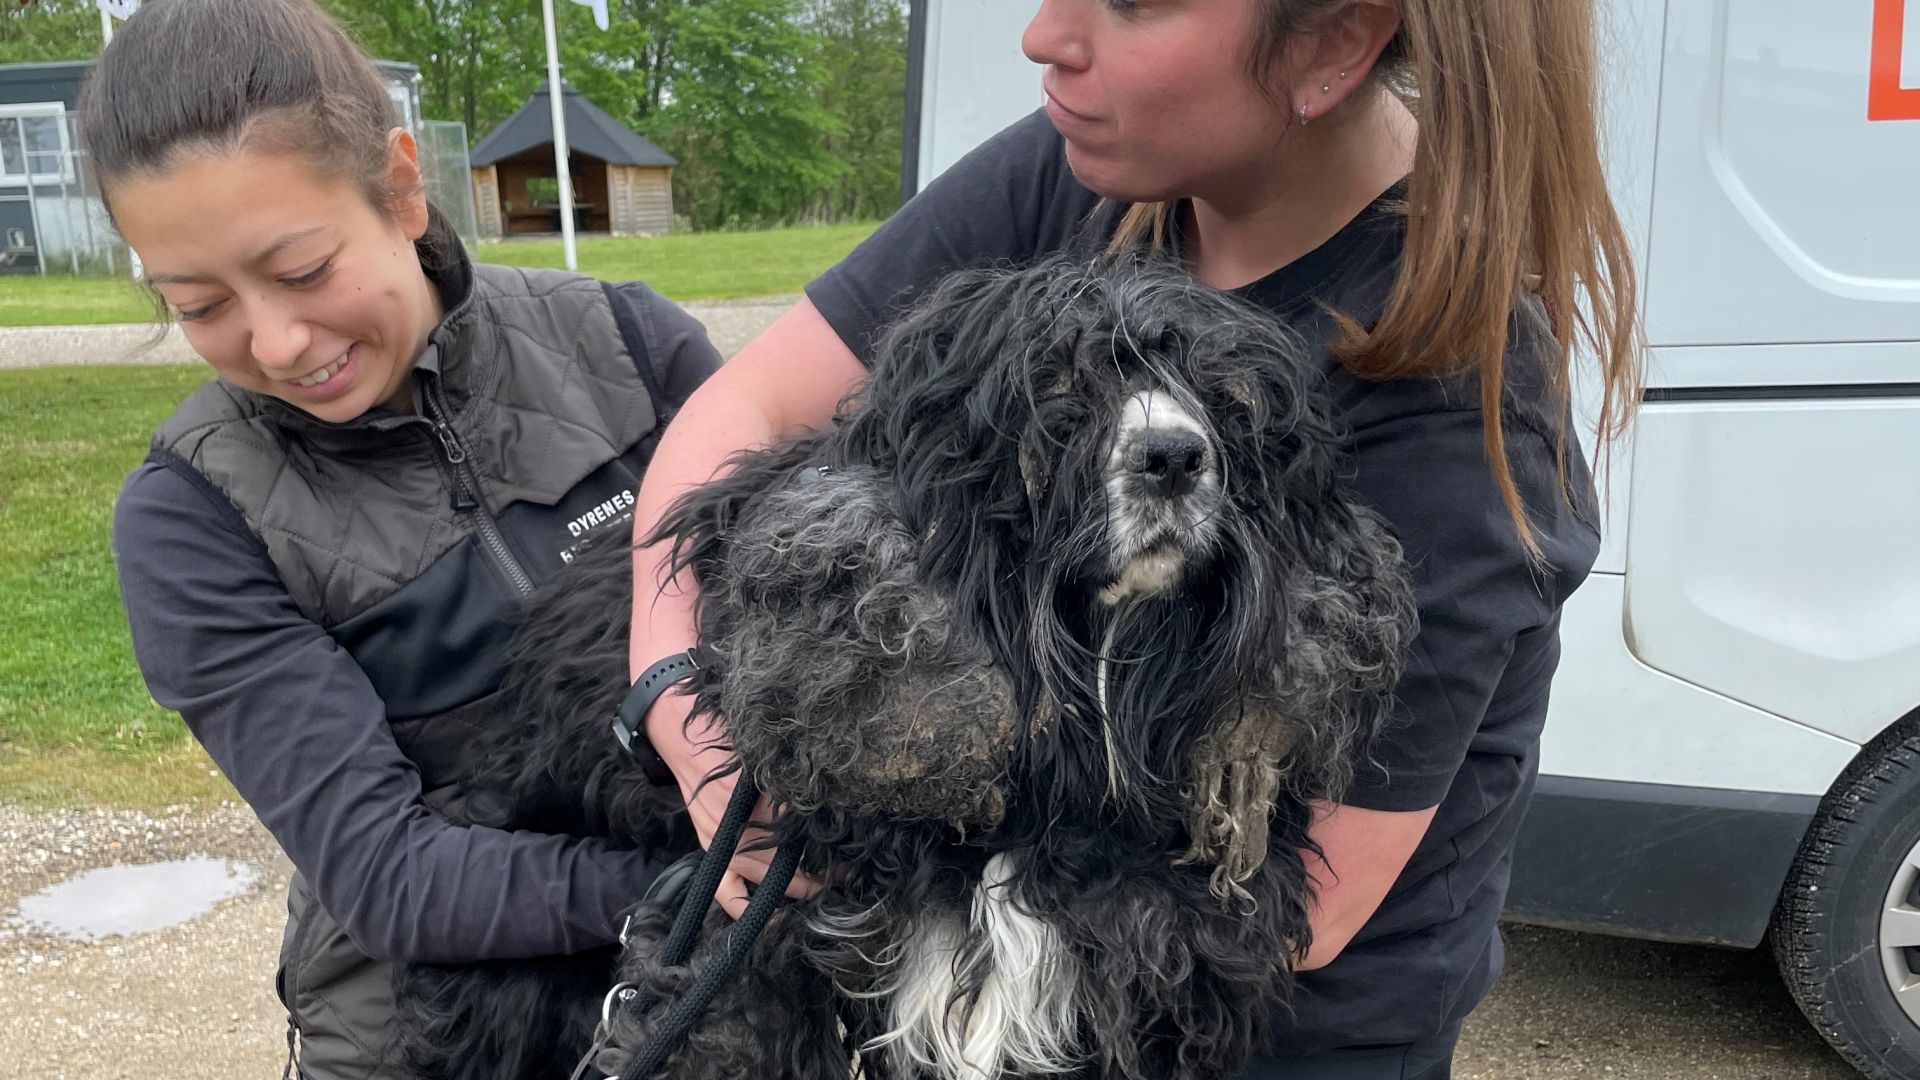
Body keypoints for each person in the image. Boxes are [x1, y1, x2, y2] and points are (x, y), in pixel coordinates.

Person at [625, 0, 1640, 1077]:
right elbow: (746, 411)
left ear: (1333, 43)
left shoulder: (1461, 424)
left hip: (1265, 1034)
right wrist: (678, 693)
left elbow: (1312, 903)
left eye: (1132, 2)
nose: (1045, 37)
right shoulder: (1097, 163)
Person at [91, 0, 717, 1075]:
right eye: (200, 305)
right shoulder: (189, 520)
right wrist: (717, 879)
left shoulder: (631, 347)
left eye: (301, 270)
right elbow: (391, 878)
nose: (279, 343)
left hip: (712, 995)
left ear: (400, 183)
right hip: (431, 1034)